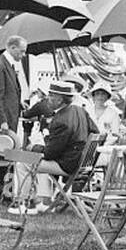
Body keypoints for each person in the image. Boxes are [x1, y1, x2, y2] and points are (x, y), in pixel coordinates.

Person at [12, 80, 98, 214]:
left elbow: (49, 154)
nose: (47, 99)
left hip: (67, 165)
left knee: (22, 162)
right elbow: (96, 132)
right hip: (81, 163)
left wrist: (33, 147)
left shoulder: (61, 120)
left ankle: (26, 205)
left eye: (51, 95)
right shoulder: (79, 110)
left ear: (59, 100)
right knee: (33, 160)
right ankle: (43, 200)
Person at [0, 36, 29, 203]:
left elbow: (7, 93)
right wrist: (2, 121)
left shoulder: (8, 65)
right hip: (2, 123)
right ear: (12, 47)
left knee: (5, 157)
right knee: (0, 156)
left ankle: (0, 192)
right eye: (22, 51)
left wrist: (19, 103)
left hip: (10, 118)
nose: (23, 55)